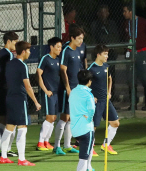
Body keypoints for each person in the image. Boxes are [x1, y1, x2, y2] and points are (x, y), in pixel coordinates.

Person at [0, 41, 41, 166]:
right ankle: (22, 159)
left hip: (10, 98)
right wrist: (36, 101)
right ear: (23, 52)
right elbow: (27, 86)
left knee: (10, 127)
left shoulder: (10, 64)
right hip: (20, 99)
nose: (29, 53)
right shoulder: (23, 66)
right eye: (28, 50)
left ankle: (3, 156)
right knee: (22, 128)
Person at [53, 25, 84, 155]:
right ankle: (56, 146)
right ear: (72, 38)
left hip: (77, 88)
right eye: (79, 38)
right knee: (64, 117)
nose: (81, 41)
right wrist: (67, 87)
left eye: (82, 38)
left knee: (72, 117)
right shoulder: (66, 50)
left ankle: (67, 145)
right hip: (68, 89)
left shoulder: (78, 51)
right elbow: (63, 70)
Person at [87, 45, 120, 155]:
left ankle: (106, 144)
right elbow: (85, 86)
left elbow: (110, 79)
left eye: (107, 54)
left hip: (106, 101)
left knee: (115, 123)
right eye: (105, 54)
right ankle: (90, 147)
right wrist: (92, 96)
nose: (107, 56)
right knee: (93, 126)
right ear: (98, 55)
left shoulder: (106, 66)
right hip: (96, 103)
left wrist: (109, 92)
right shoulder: (91, 69)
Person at [123, 4, 146, 111]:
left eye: (125, 11)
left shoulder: (143, 22)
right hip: (130, 52)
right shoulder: (126, 24)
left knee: (145, 77)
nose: (124, 14)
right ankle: (133, 103)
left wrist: (141, 43)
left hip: (142, 52)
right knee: (131, 78)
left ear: (131, 12)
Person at [0, 32, 19, 157]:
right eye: (15, 42)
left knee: (2, 119)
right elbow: (9, 73)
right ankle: (6, 149)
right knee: (10, 120)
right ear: (8, 41)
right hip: (7, 90)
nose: (16, 45)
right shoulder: (8, 54)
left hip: (0, 89)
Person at [36, 37, 63, 151]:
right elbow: (38, 74)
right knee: (49, 117)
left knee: (54, 118)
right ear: (51, 47)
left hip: (57, 93)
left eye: (61, 47)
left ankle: (47, 141)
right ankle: (40, 142)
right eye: (57, 47)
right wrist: (46, 90)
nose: (59, 49)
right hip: (49, 93)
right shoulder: (45, 59)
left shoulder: (58, 60)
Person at [90, 4, 120, 101]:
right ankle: (97, 95)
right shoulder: (95, 24)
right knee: (98, 75)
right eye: (101, 12)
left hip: (110, 53)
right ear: (98, 14)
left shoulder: (112, 24)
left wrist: (111, 48)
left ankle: (112, 95)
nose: (104, 14)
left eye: (105, 12)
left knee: (111, 74)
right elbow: (94, 38)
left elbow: (115, 37)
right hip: (99, 52)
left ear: (108, 13)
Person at [69, 70, 96, 171]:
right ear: (89, 81)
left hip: (75, 129)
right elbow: (92, 109)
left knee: (88, 148)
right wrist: (89, 118)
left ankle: (88, 167)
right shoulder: (88, 94)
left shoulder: (73, 92)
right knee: (83, 158)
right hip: (86, 128)